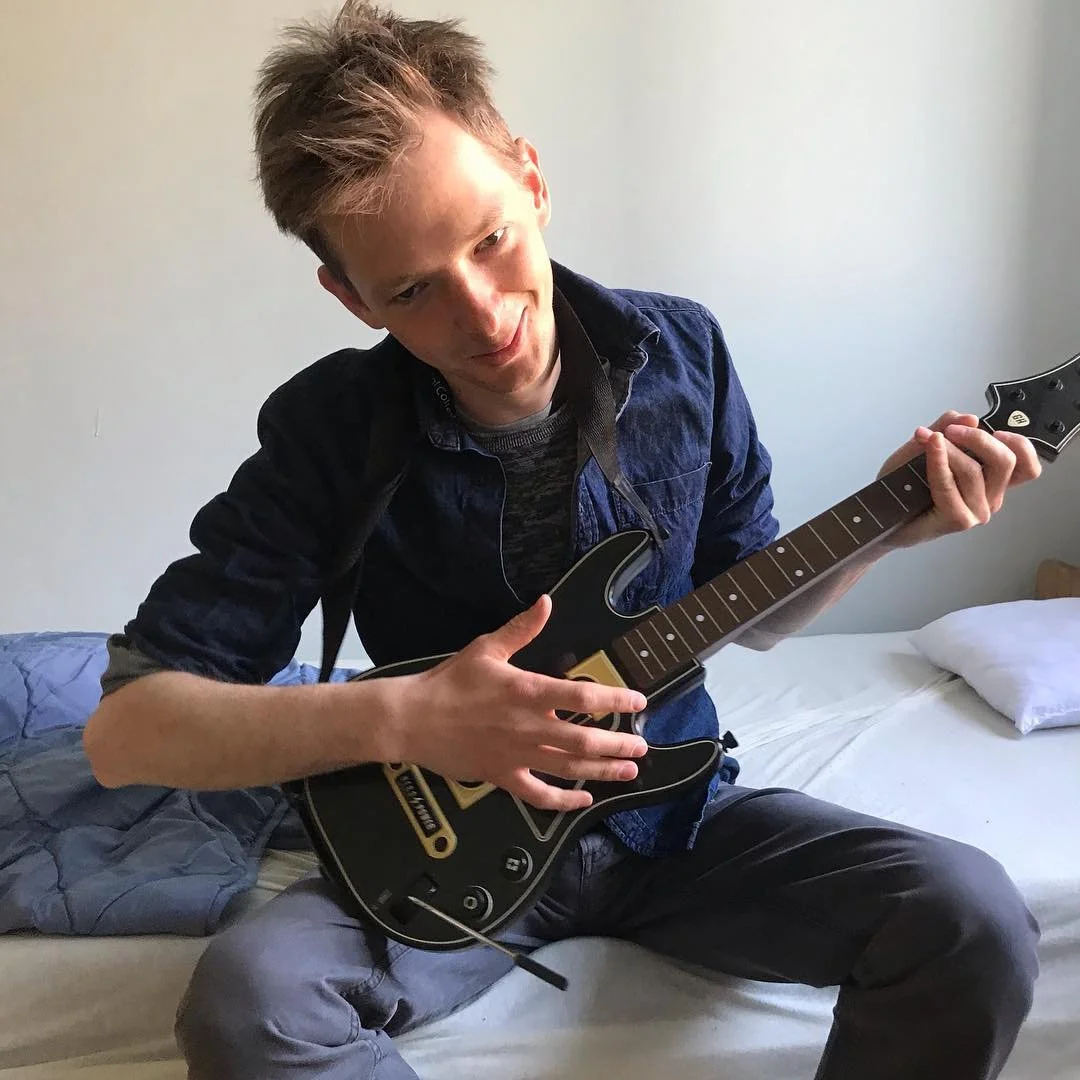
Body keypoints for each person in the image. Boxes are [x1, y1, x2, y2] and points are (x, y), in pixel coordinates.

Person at [83, 3, 1044, 1078]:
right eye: (411, 290)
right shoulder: (329, 429)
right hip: (440, 858)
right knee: (251, 1004)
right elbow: (129, 732)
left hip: (671, 818)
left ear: (531, 178)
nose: (485, 314)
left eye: (490, 238)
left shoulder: (685, 352)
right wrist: (410, 717)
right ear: (349, 297)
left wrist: (882, 531)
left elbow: (754, 612)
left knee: (970, 916)